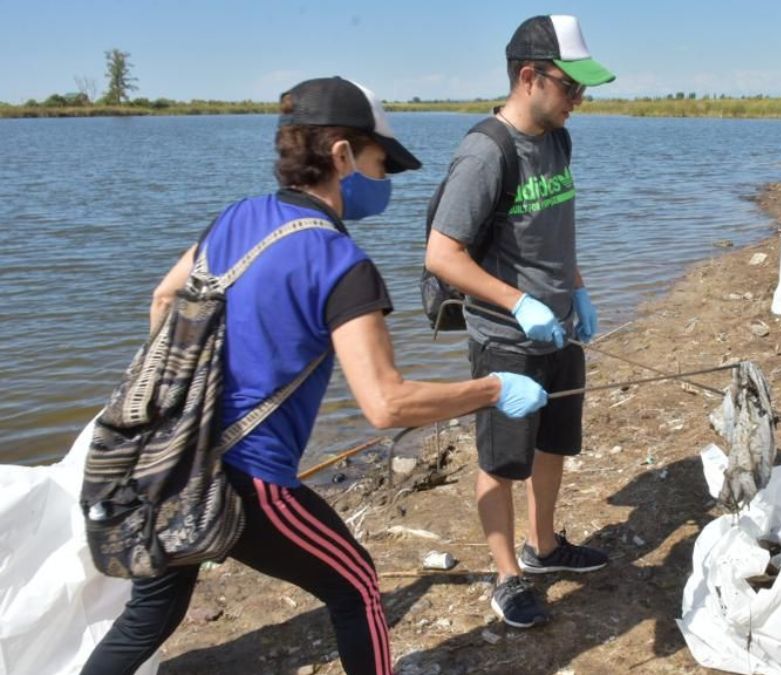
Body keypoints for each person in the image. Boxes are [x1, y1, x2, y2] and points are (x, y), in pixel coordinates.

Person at [81, 77, 549, 675]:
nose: (385, 184)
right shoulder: (340, 263)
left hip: (174, 462)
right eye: (382, 165)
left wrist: (186, 410)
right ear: (342, 156)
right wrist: (495, 389)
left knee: (150, 614)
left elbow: (164, 298)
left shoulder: (237, 218)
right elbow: (386, 404)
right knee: (357, 588)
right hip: (251, 482)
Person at [424, 14, 615, 629]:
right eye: (570, 87)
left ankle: (545, 547)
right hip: (507, 339)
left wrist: (575, 290)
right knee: (501, 460)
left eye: (584, 90)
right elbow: (442, 254)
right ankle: (507, 576)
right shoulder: (485, 153)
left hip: (560, 327)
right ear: (529, 77)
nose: (578, 102)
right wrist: (520, 305)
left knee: (555, 442)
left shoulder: (558, 139)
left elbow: (556, 232)